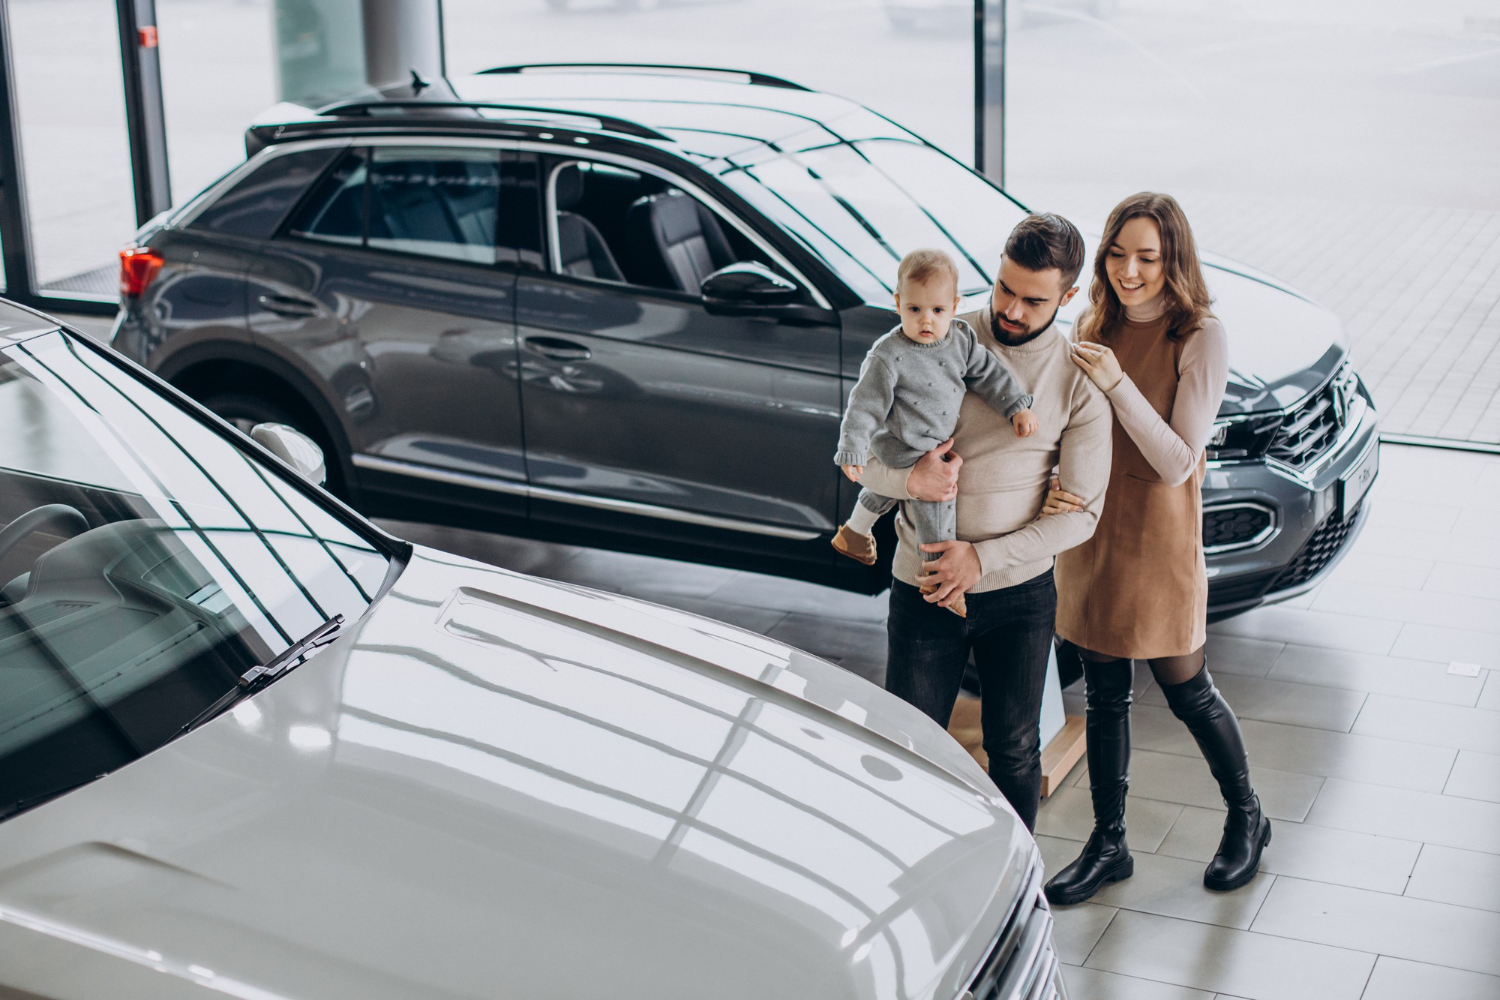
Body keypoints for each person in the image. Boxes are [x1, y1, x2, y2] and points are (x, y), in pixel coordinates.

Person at [1043, 192, 1270, 903]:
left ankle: (1248, 817)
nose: (1129, 271)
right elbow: (1078, 431)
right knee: (1105, 693)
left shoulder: (1199, 334)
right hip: (1093, 531)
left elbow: (1177, 460)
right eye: (1118, 254)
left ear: (1174, 258)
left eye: (1147, 257)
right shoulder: (1093, 321)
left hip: (1158, 534)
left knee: (1186, 688)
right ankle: (1109, 843)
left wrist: (1114, 381)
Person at [856, 214, 1112, 831]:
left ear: (1069, 297)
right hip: (925, 583)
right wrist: (907, 482)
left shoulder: (1079, 378)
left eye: (1033, 299)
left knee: (1017, 751)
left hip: (1019, 596)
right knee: (908, 746)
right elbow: (866, 458)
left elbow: (1084, 515)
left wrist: (983, 560)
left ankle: (1011, 887)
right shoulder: (934, 332)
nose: (1012, 310)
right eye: (1003, 288)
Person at [832, 248, 1039, 619]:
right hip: (904, 445)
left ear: (955, 306)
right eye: (915, 310)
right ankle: (937, 580)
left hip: (927, 441)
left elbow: (988, 374)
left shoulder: (961, 339)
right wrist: (853, 449)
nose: (926, 320)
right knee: (937, 501)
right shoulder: (889, 354)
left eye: (938, 311)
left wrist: (1016, 407)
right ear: (898, 304)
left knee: (886, 493)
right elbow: (865, 406)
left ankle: (854, 530)